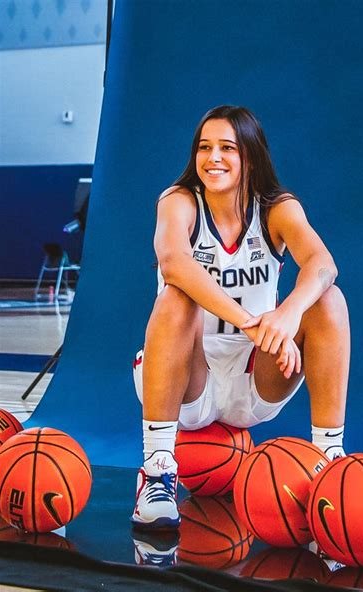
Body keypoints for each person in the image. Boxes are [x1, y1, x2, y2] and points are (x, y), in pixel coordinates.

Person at [131, 105, 350, 530]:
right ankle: (157, 469)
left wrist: (287, 315)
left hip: (255, 376)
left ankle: (329, 459)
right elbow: (174, 262)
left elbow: (323, 263)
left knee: (329, 300)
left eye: (227, 148)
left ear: (250, 155)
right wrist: (253, 321)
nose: (213, 158)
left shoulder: (276, 208)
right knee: (177, 296)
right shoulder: (179, 202)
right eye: (204, 147)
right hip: (186, 377)